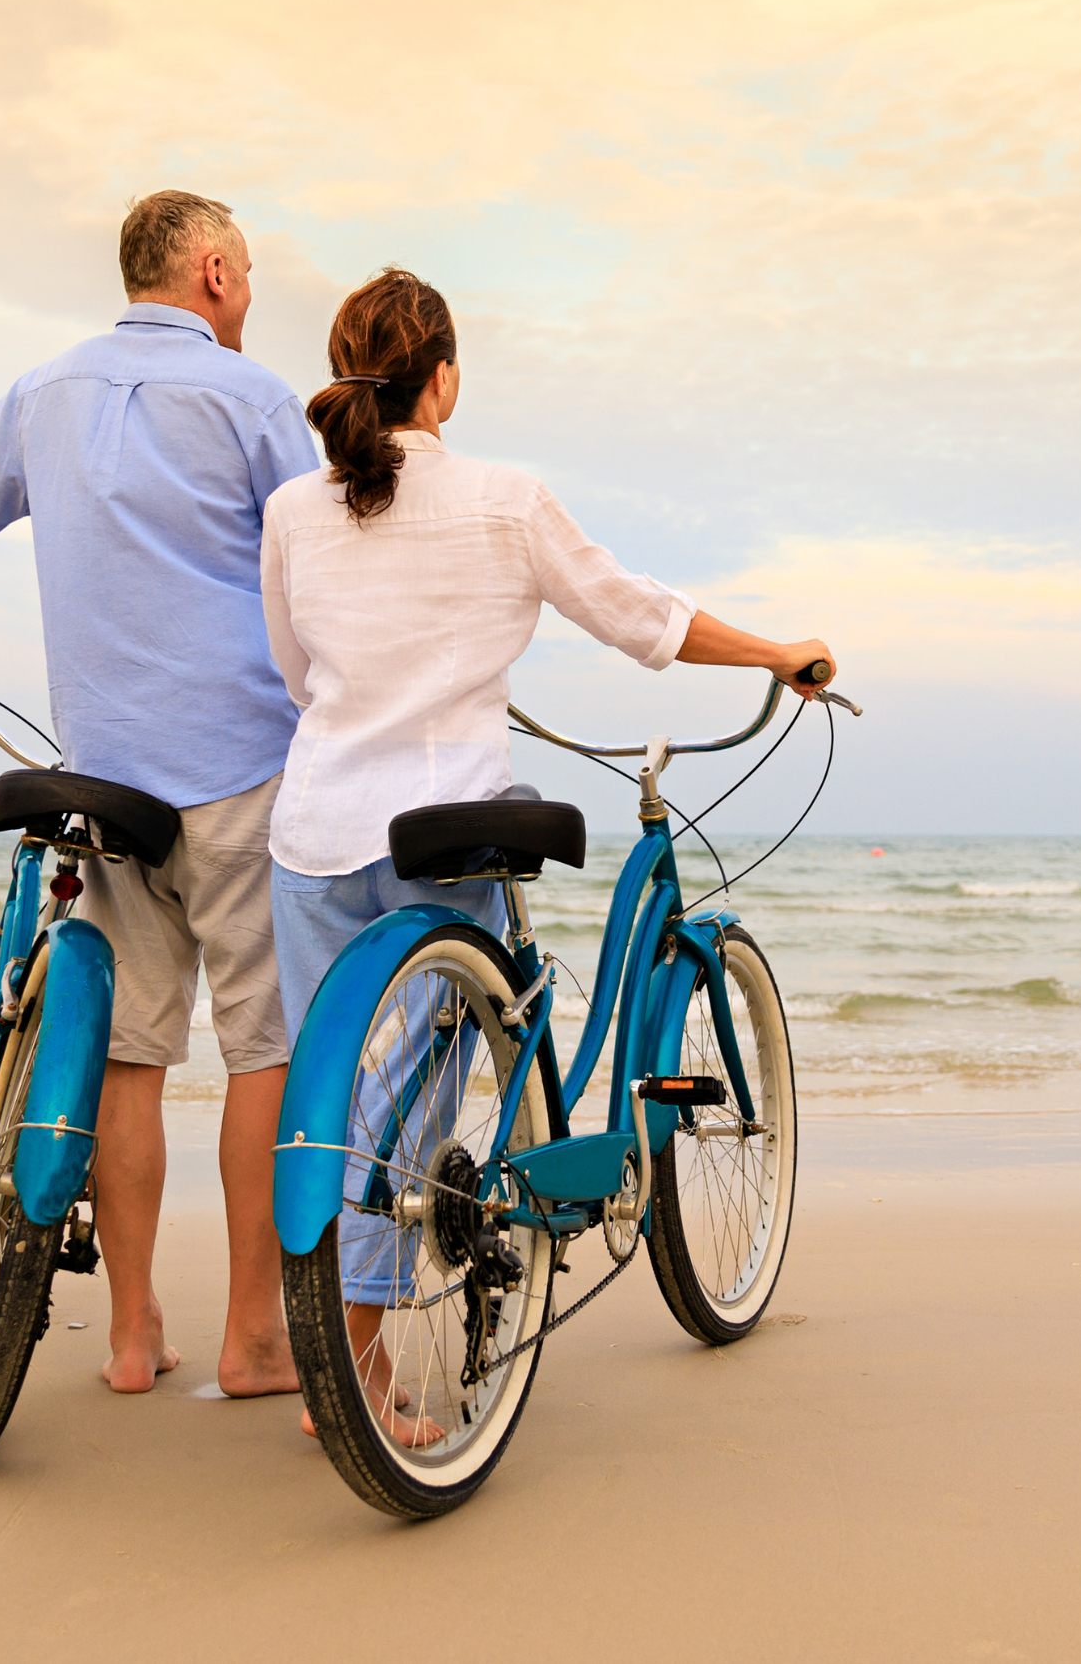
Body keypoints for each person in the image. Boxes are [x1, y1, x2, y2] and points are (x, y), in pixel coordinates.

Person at [257, 268, 836, 1441]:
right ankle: (362, 1383)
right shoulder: (504, 500)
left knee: (336, 1098)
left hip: (315, 831)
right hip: (440, 830)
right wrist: (781, 653)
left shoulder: (291, 513)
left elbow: (296, 675)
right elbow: (640, 618)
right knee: (406, 1112)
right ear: (446, 379)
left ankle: (343, 1366)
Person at [0, 190, 305, 1398]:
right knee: (264, 1048)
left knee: (129, 1054)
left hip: (105, 782)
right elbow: (324, 556)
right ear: (211, 271)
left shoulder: (40, 393)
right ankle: (256, 1338)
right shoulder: (254, 399)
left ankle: (130, 1332)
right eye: (249, 272)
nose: (252, 294)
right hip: (243, 771)